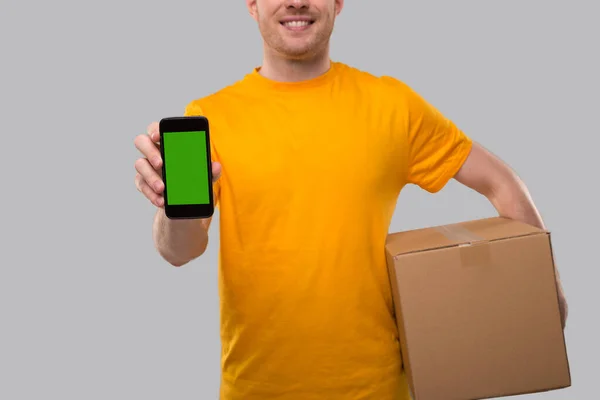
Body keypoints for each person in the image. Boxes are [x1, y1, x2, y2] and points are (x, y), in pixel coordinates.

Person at [133, 1, 568, 399]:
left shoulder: (392, 105)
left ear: (339, 3)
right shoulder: (210, 116)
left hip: (376, 388)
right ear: (252, 4)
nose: (297, 2)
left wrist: (542, 289)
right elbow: (179, 251)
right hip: (253, 388)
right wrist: (172, 205)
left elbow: (502, 183)